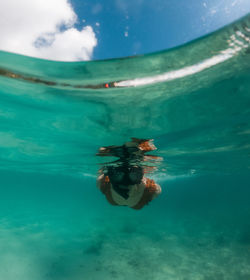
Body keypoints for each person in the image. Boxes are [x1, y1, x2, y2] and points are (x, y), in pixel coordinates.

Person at [96, 138, 162, 210]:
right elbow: (158, 190)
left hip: (114, 200)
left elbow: (102, 176)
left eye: (134, 174)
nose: (126, 182)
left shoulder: (102, 183)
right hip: (136, 202)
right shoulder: (150, 189)